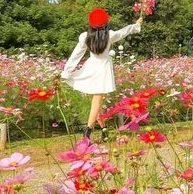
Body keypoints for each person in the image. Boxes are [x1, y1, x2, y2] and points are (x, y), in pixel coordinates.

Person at [61, 8, 143, 138]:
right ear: (105, 23)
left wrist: (67, 70)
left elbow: (76, 54)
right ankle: (87, 131)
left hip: (91, 67)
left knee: (96, 102)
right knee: (97, 102)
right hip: (103, 69)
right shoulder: (109, 35)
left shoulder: (85, 37)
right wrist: (136, 25)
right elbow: (124, 32)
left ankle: (104, 130)